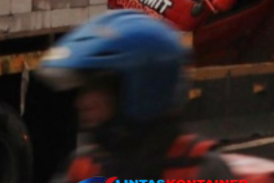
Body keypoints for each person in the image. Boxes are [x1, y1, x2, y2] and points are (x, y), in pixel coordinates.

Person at [39, 10, 237, 182]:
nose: (82, 102)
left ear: (142, 87)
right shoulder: (87, 168)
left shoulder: (200, 171)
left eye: (96, 88)